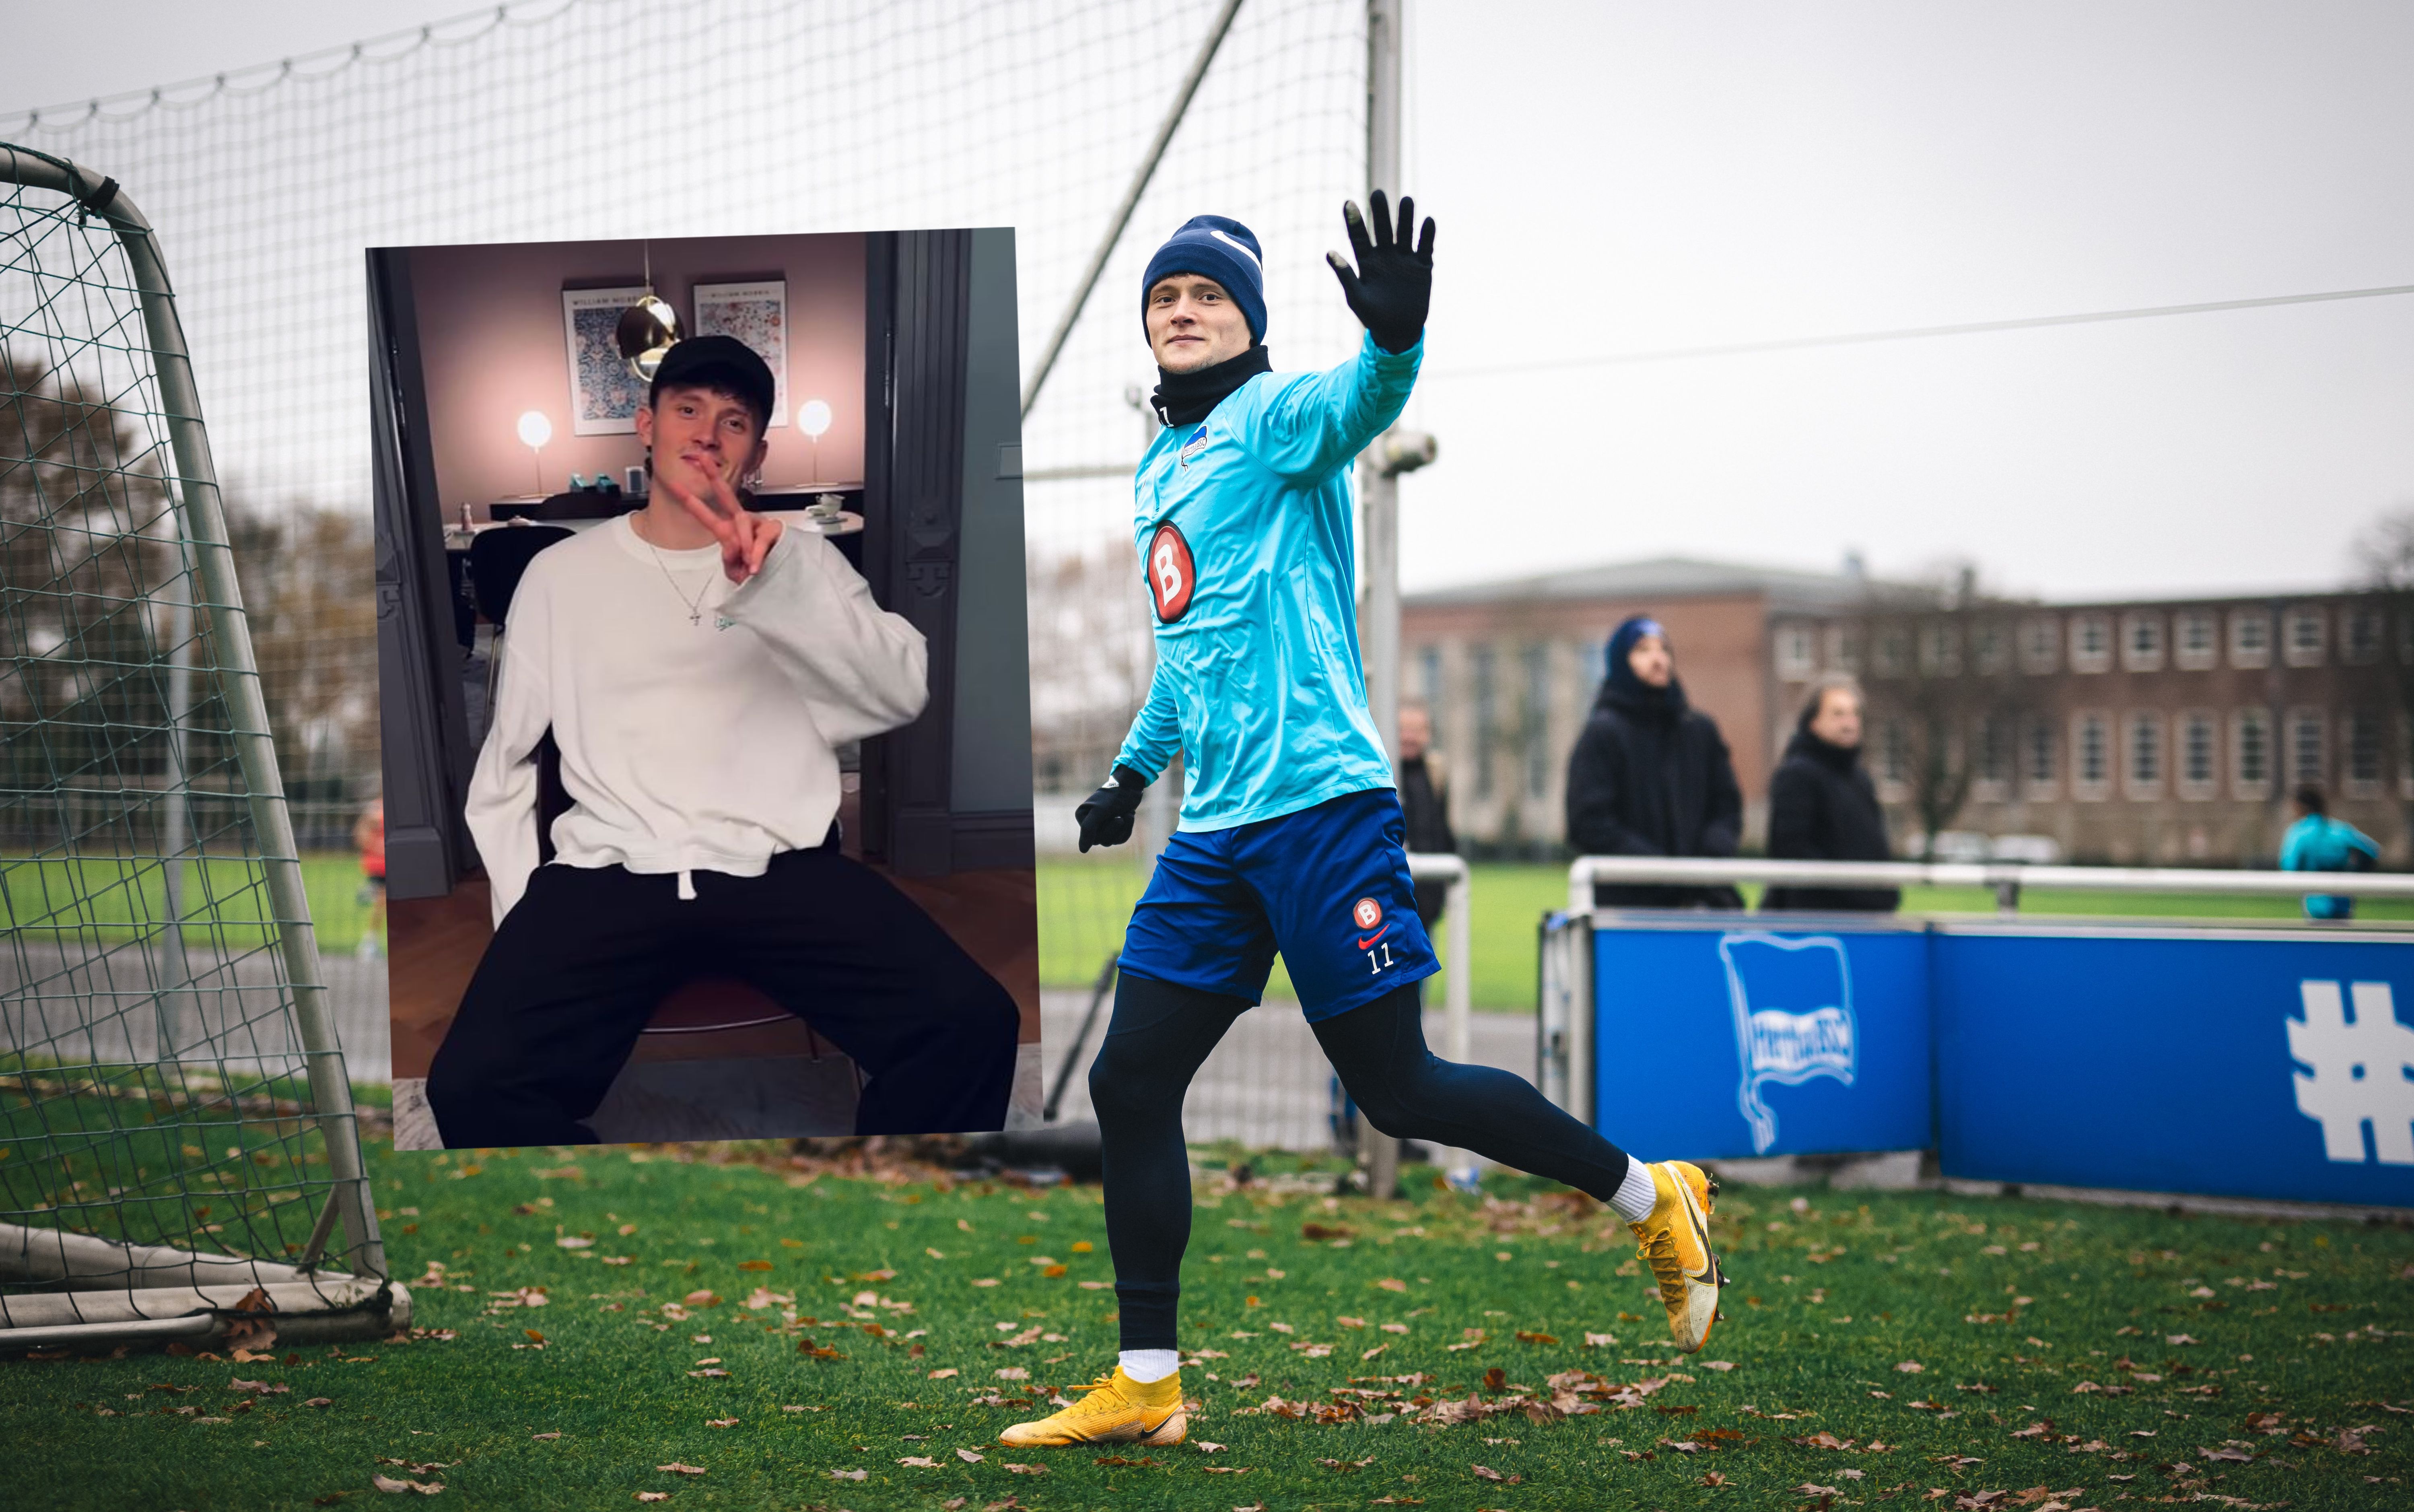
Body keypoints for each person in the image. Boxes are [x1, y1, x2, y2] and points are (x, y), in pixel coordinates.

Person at [999, 198, 1722, 1453]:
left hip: (1324, 806)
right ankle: (1148, 1378)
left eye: (1208, 296)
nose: (1183, 310)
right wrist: (1129, 773)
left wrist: (1394, 344)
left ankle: (1648, 1190)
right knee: (1129, 1079)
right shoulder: (1158, 467)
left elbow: (1351, 406)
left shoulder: (1271, 419)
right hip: (1216, 833)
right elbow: (1186, 650)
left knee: (1396, 1091)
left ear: (1247, 323)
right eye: (1165, 297)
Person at [424, 335, 1018, 1146]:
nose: (707, 432)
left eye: (734, 420)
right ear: (647, 424)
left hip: (781, 866)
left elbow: (897, 691)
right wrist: (521, 915)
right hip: (610, 871)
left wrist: (784, 589)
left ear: (758, 452)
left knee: (974, 1026)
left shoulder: (803, 559)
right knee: (469, 1086)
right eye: (689, 409)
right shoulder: (560, 577)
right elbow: (507, 763)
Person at [1563, 616, 1745, 910]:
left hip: (1707, 902)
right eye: (1643, 650)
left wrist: (1707, 861)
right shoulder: (1603, 733)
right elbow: (1589, 822)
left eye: (1663, 649)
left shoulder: (1700, 730)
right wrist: (1659, 870)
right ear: (1621, 661)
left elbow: (1728, 806)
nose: (1658, 659)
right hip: (1632, 907)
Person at [1761, 674, 1900, 913]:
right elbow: (1793, 851)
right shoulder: (1797, 775)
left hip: (1867, 920)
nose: (1850, 723)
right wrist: (1860, 894)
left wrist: (1886, 892)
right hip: (1818, 924)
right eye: (1837, 714)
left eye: (1854, 713)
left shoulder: (1861, 779)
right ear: (1813, 722)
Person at [2280, 783, 2379, 921]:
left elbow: (2289, 866)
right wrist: (2355, 874)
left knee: (2318, 941)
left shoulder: (2298, 833)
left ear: (2299, 806)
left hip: (2315, 905)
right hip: (2344, 901)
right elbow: (2372, 851)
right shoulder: (2340, 830)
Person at [1397, 700, 1457, 927]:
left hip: (1428, 899)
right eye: (1403, 729)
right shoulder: (1382, 775)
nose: (1409, 737)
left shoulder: (1435, 774)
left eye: (1417, 730)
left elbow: (1443, 831)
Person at [352, 796, 386, 959]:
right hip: (380, 866)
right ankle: (369, 943)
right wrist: (377, 847)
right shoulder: (376, 809)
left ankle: (368, 892)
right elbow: (361, 834)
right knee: (382, 902)